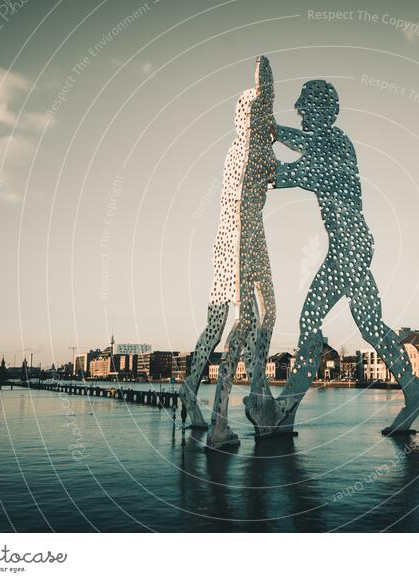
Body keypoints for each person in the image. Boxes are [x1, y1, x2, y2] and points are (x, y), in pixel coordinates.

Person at [246, 80, 419, 436]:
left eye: (304, 103)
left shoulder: (333, 143)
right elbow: (297, 157)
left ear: (319, 108)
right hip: (352, 245)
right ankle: (413, 389)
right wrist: (268, 138)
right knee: (371, 325)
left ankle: (286, 410)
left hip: (349, 246)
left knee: (311, 319)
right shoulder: (328, 145)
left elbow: (292, 173)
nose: (298, 108)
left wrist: (261, 146)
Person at [179, 56, 276, 448]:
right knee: (252, 319)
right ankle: (223, 422)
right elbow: (276, 177)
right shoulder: (253, 148)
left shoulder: (235, 148)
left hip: (229, 238)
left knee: (219, 324)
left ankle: (190, 389)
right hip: (243, 237)